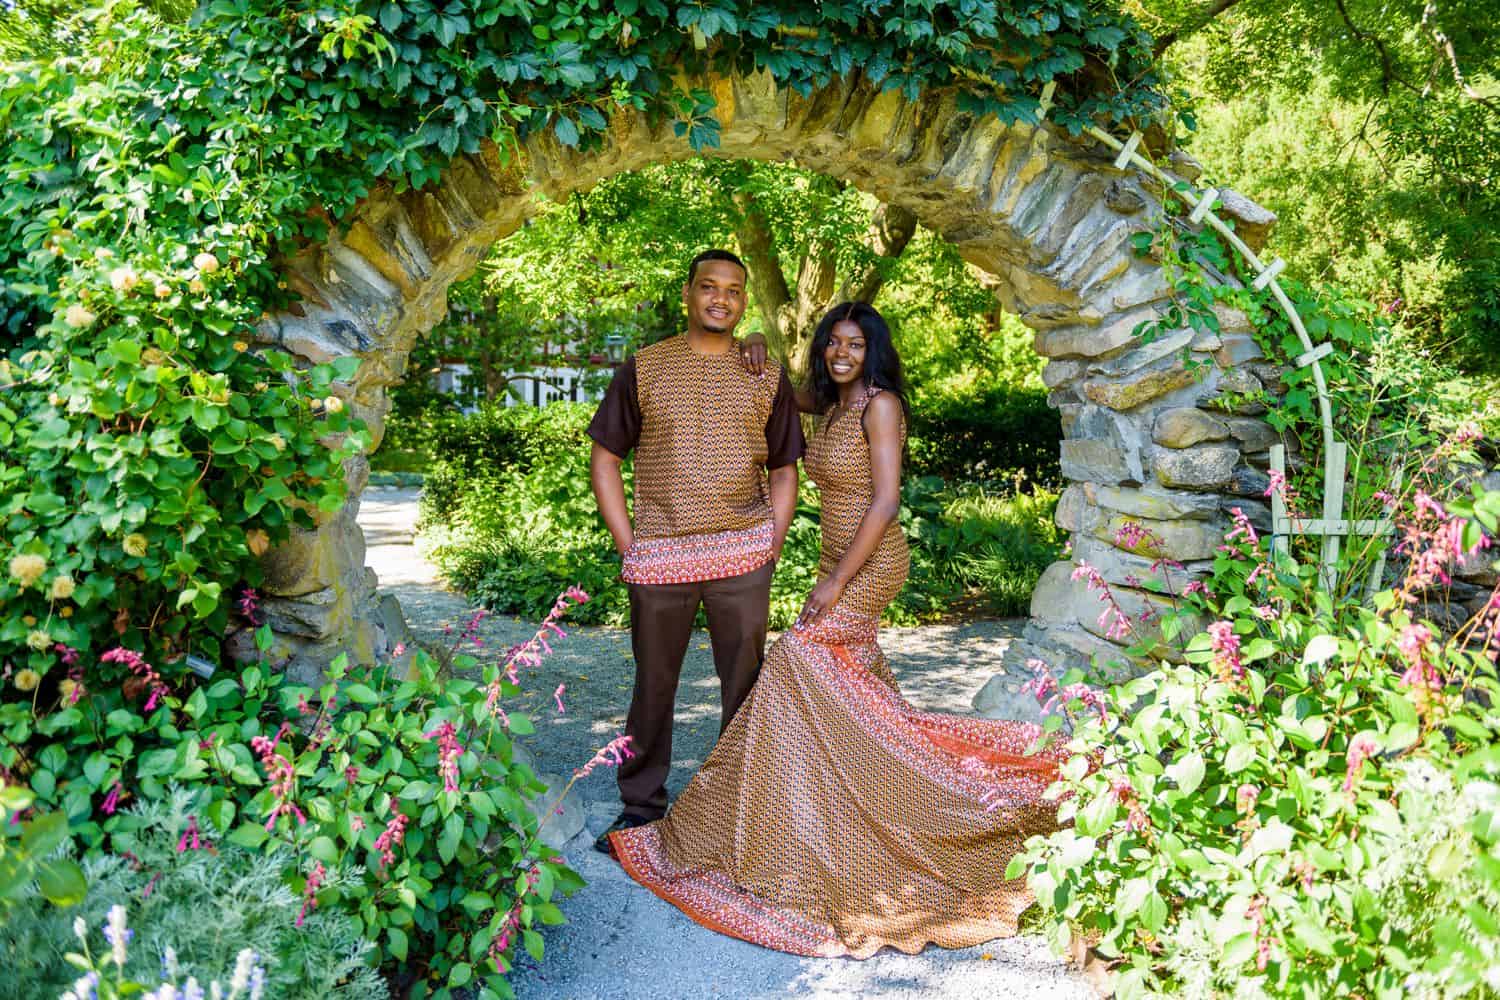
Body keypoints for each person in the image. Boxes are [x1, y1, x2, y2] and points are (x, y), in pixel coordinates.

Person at [609, 301, 1067, 958]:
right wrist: (757, 343)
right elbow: (779, 393)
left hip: (869, 561)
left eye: (853, 344)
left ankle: (924, 809)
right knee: (857, 692)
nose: (840, 353)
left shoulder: (880, 405)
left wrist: (834, 582)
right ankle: (859, 794)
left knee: (796, 659)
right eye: (831, 343)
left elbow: (884, 501)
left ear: (873, 348)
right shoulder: (831, 406)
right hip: (836, 559)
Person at [587, 249, 806, 853]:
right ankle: (640, 807)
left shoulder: (765, 371)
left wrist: (772, 541)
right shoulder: (646, 368)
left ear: (744, 301)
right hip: (661, 553)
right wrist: (628, 542)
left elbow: (787, 465)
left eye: (735, 290)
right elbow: (605, 457)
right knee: (654, 684)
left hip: (742, 552)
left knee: (745, 684)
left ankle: (738, 810)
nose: (721, 299)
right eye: (708, 287)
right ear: (687, 293)